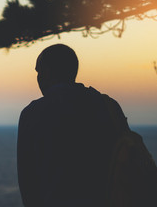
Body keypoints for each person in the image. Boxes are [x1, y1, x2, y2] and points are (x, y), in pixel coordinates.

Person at [17, 43, 127, 206]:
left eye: (39, 71)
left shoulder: (32, 113)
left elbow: (28, 180)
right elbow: (126, 160)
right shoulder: (108, 106)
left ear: (46, 72)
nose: (38, 77)